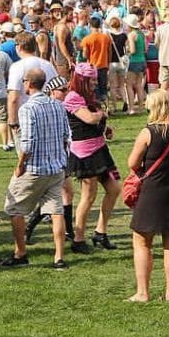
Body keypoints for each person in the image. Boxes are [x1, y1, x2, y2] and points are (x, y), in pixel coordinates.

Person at [0, 68, 71, 270]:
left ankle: (20, 252)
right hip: (56, 168)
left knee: (14, 208)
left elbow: (28, 143)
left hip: (35, 168)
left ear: (28, 83)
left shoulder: (27, 108)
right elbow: (66, 135)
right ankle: (59, 257)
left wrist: (20, 166)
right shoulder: (58, 105)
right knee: (56, 212)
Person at [126, 90, 169, 302]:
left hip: (153, 191)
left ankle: (143, 292)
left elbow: (132, 163)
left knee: (141, 240)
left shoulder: (149, 132)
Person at [62, 63, 120, 254]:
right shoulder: (72, 97)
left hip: (99, 148)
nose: (95, 83)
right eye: (91, 80)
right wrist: (101, 114)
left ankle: (100, 232)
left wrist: (105, 128)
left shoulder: (89, 97)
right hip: (84, 153)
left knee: (114, 189)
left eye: (95, 79)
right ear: (81, 80)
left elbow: (95, 122)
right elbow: (88, 118)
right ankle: (78, 239)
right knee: (89, 196)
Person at [123, 14, 147, 115]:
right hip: (142, 60)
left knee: (128, 85)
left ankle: (131, 108)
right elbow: (145, 49)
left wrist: (127, 52)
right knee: (139, 85)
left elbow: (132, 50)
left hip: (134, 61)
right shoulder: (141, 34)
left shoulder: (131, 35)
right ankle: (141, 107)